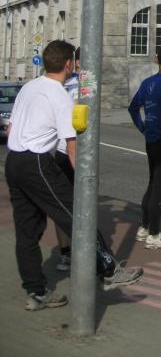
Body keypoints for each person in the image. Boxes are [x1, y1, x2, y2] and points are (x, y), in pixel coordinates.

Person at [5, 40, 143, 311]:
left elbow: (11, 129)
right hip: (36, 162)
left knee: (27, 231)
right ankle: (109, 269)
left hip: (14, 161)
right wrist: (86, 182)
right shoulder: (60, 96)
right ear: (69, 64)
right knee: (78, 217)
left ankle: (36, 292)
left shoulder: (29, 87)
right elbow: (72, 146)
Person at [129, 46, 161, 249]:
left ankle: (144, 227)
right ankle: (154, 234)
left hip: (150, 138)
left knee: (152, 183)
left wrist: (142, 127)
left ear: (157, 60)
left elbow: (133, 107)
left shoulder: (147, 83)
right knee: (160, 186)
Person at [54, 46, 80, 272]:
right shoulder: (65, 86)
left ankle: (77, 251)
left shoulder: (87, 85)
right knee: (65, 205)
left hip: (79, 152)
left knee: (77, 205)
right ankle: (67, 253)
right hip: (66, 152)